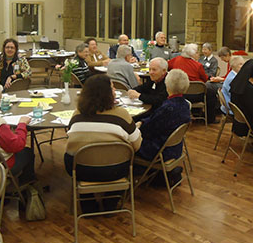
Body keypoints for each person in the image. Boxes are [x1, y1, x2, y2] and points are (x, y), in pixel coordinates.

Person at [64, 74, 142, 212]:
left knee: (75, 156)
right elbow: (137, 145)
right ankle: (111, 202)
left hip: (81, 169)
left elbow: (70, 139)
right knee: (129, 157)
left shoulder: (77, 115)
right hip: (115, 169)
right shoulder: (122, 114)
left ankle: (87, 202)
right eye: (112, 88)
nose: (115, 91)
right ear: (106, 94)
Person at [136, 69, 191, 163]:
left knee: (128, 141)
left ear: (167, 85)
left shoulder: (167, 108)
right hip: (175, 147)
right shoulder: (185, 104)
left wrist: (139, 125)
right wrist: (143, 122)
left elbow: (148, 129)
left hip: (160, 150)